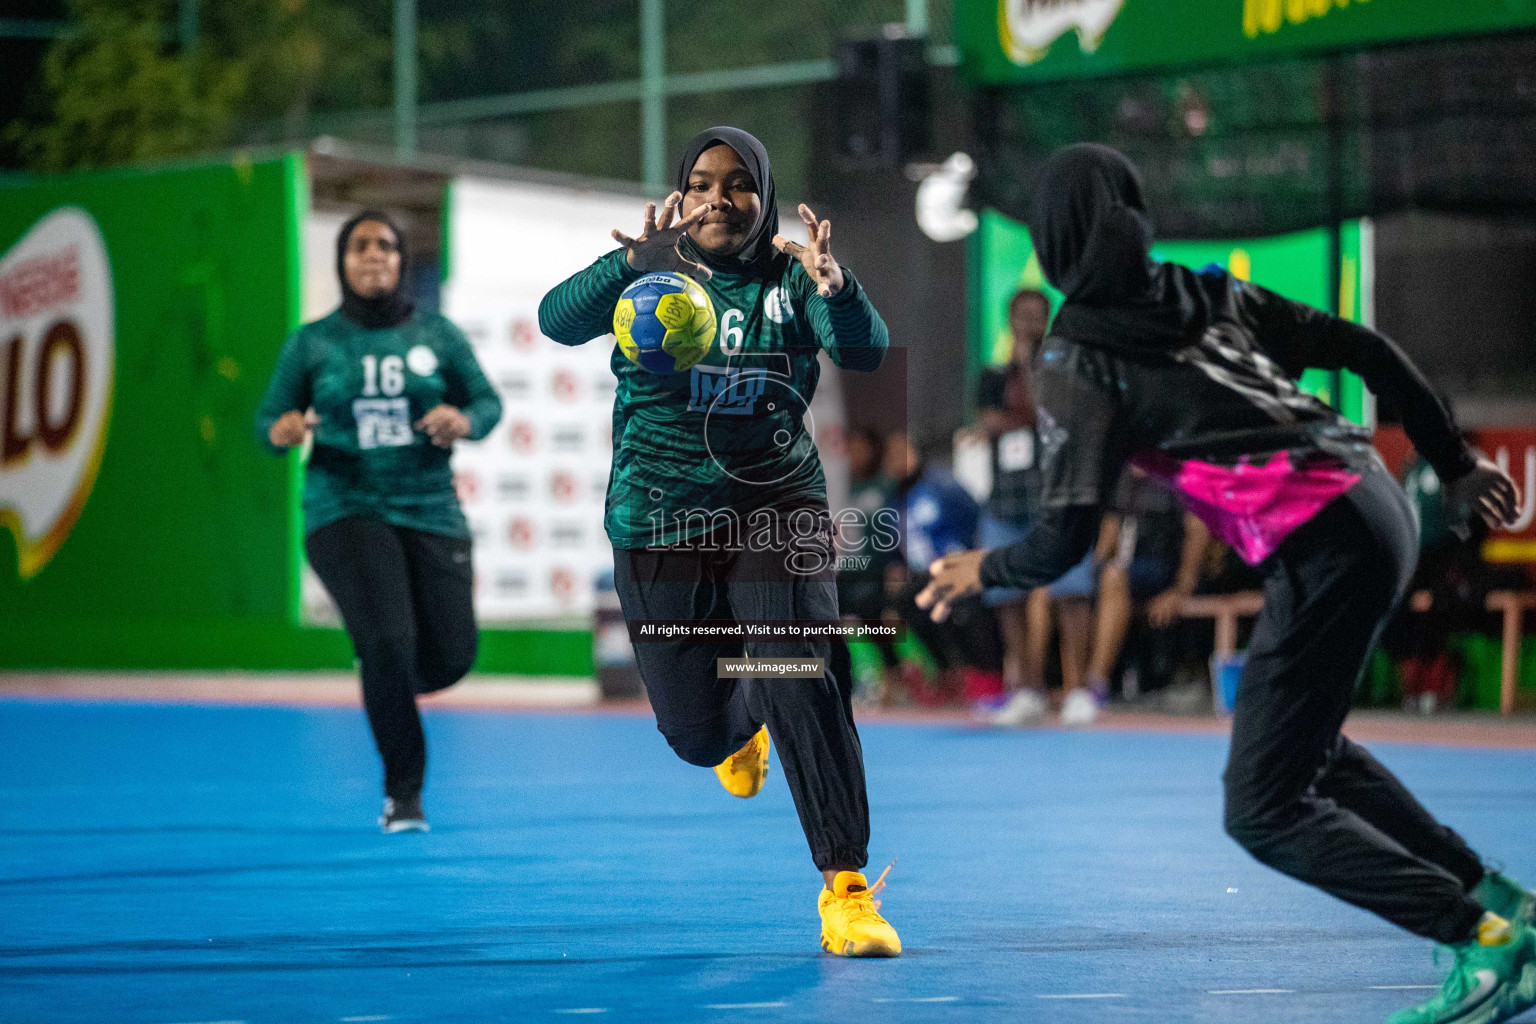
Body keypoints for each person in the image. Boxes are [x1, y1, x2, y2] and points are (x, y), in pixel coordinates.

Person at [916, 143, 1535, 1024]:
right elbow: (1366, 348)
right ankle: (1501, 902)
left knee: (1265, 809)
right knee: (1305, 752)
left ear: (1054, 241)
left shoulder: (1079, 358)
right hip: (1372, 504)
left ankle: (1482, 940)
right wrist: (1454, 460)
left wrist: (986, 568)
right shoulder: (1204, 291)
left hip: (1327, 542)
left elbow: (1062, 543)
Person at [538, 127, 900, 957]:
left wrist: (837, 286)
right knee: (695, 735)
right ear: (681, 192)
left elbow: (866, 350)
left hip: (776, 507)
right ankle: (739, 732)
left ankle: (845, 888)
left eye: (739, 183)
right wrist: (628, 264)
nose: (718, 198)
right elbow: (556, 323)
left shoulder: (790, 275)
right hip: (659, 520)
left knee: (794, 669)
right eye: (702, 181)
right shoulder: (652, 271)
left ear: (763, 196)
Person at [255, 210, 502, 833]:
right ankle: (404, 793)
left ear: (402, 260)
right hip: (344, 507)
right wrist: (282, 431)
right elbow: (268, 422)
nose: (372, 255)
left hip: (430, 506)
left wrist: (464, 421)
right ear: (342, 261)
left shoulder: (438, 335)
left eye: (385, 245)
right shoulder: (312, 341)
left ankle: (382, 674)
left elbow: (487, 402)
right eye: (359, 246)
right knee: (388, 642)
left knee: (449, 658)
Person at [975, 289, 1053, 725]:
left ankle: (1063, 686)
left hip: (1047, 498)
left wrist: (1028, 367)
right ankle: (1022, 686)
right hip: (1005, 500)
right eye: (1020, 316)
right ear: (1009, 319)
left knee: (1058, 592)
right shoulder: (991, 374)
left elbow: (1048, 415)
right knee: (1006, 596)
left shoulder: (1056, 371)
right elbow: (987, 423)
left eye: (1036, 316)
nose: (1027, 324)